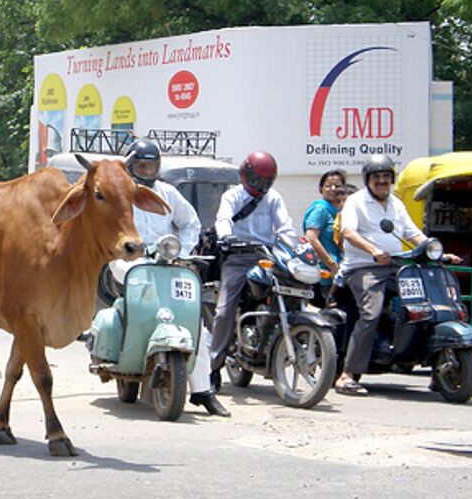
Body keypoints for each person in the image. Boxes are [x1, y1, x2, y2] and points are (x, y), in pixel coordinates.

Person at [120, 138, 230, 417]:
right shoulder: (120, 192)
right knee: (141, 305)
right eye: (142, 166)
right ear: (131, 166)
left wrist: (183, 250)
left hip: (167, 261)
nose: (147, 171)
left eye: (151, 166)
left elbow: (190, 222)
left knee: (193, 322)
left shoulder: (168, 193)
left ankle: (204, 391)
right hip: (129, 262)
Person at [333, 154, 460, 396]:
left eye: (385, 177)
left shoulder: (395, 203)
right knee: (371, 312)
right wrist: (373, 250)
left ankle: (436, 369)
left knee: (428, 305)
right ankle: (348, 374)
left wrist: (438, 252)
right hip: (363, 268)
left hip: (396, 266)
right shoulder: (356, 202)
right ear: (367, 179)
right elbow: (348, 232)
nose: (381, 181)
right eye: (376, 177)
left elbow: (413, 234)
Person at [209, 151, 298, 388]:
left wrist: (293, 248)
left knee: (293, 288)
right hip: (238, 257)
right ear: (246, 175)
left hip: (267, 257)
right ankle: (213, 368)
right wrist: (226, 237)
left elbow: (285, 227)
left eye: (267, 181)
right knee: (224, 310)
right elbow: (223, 219)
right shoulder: (233, 195)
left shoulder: (274, 198)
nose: (262, 185)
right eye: (258, 180)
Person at [302, 170, 347, 306]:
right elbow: (311, 237)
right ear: (321, 188)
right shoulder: (321, 210)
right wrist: (331, 264)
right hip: (325, 275)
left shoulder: (342, 210)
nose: (332, 189)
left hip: (341, 273)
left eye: (337, 186)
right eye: (328, 185)